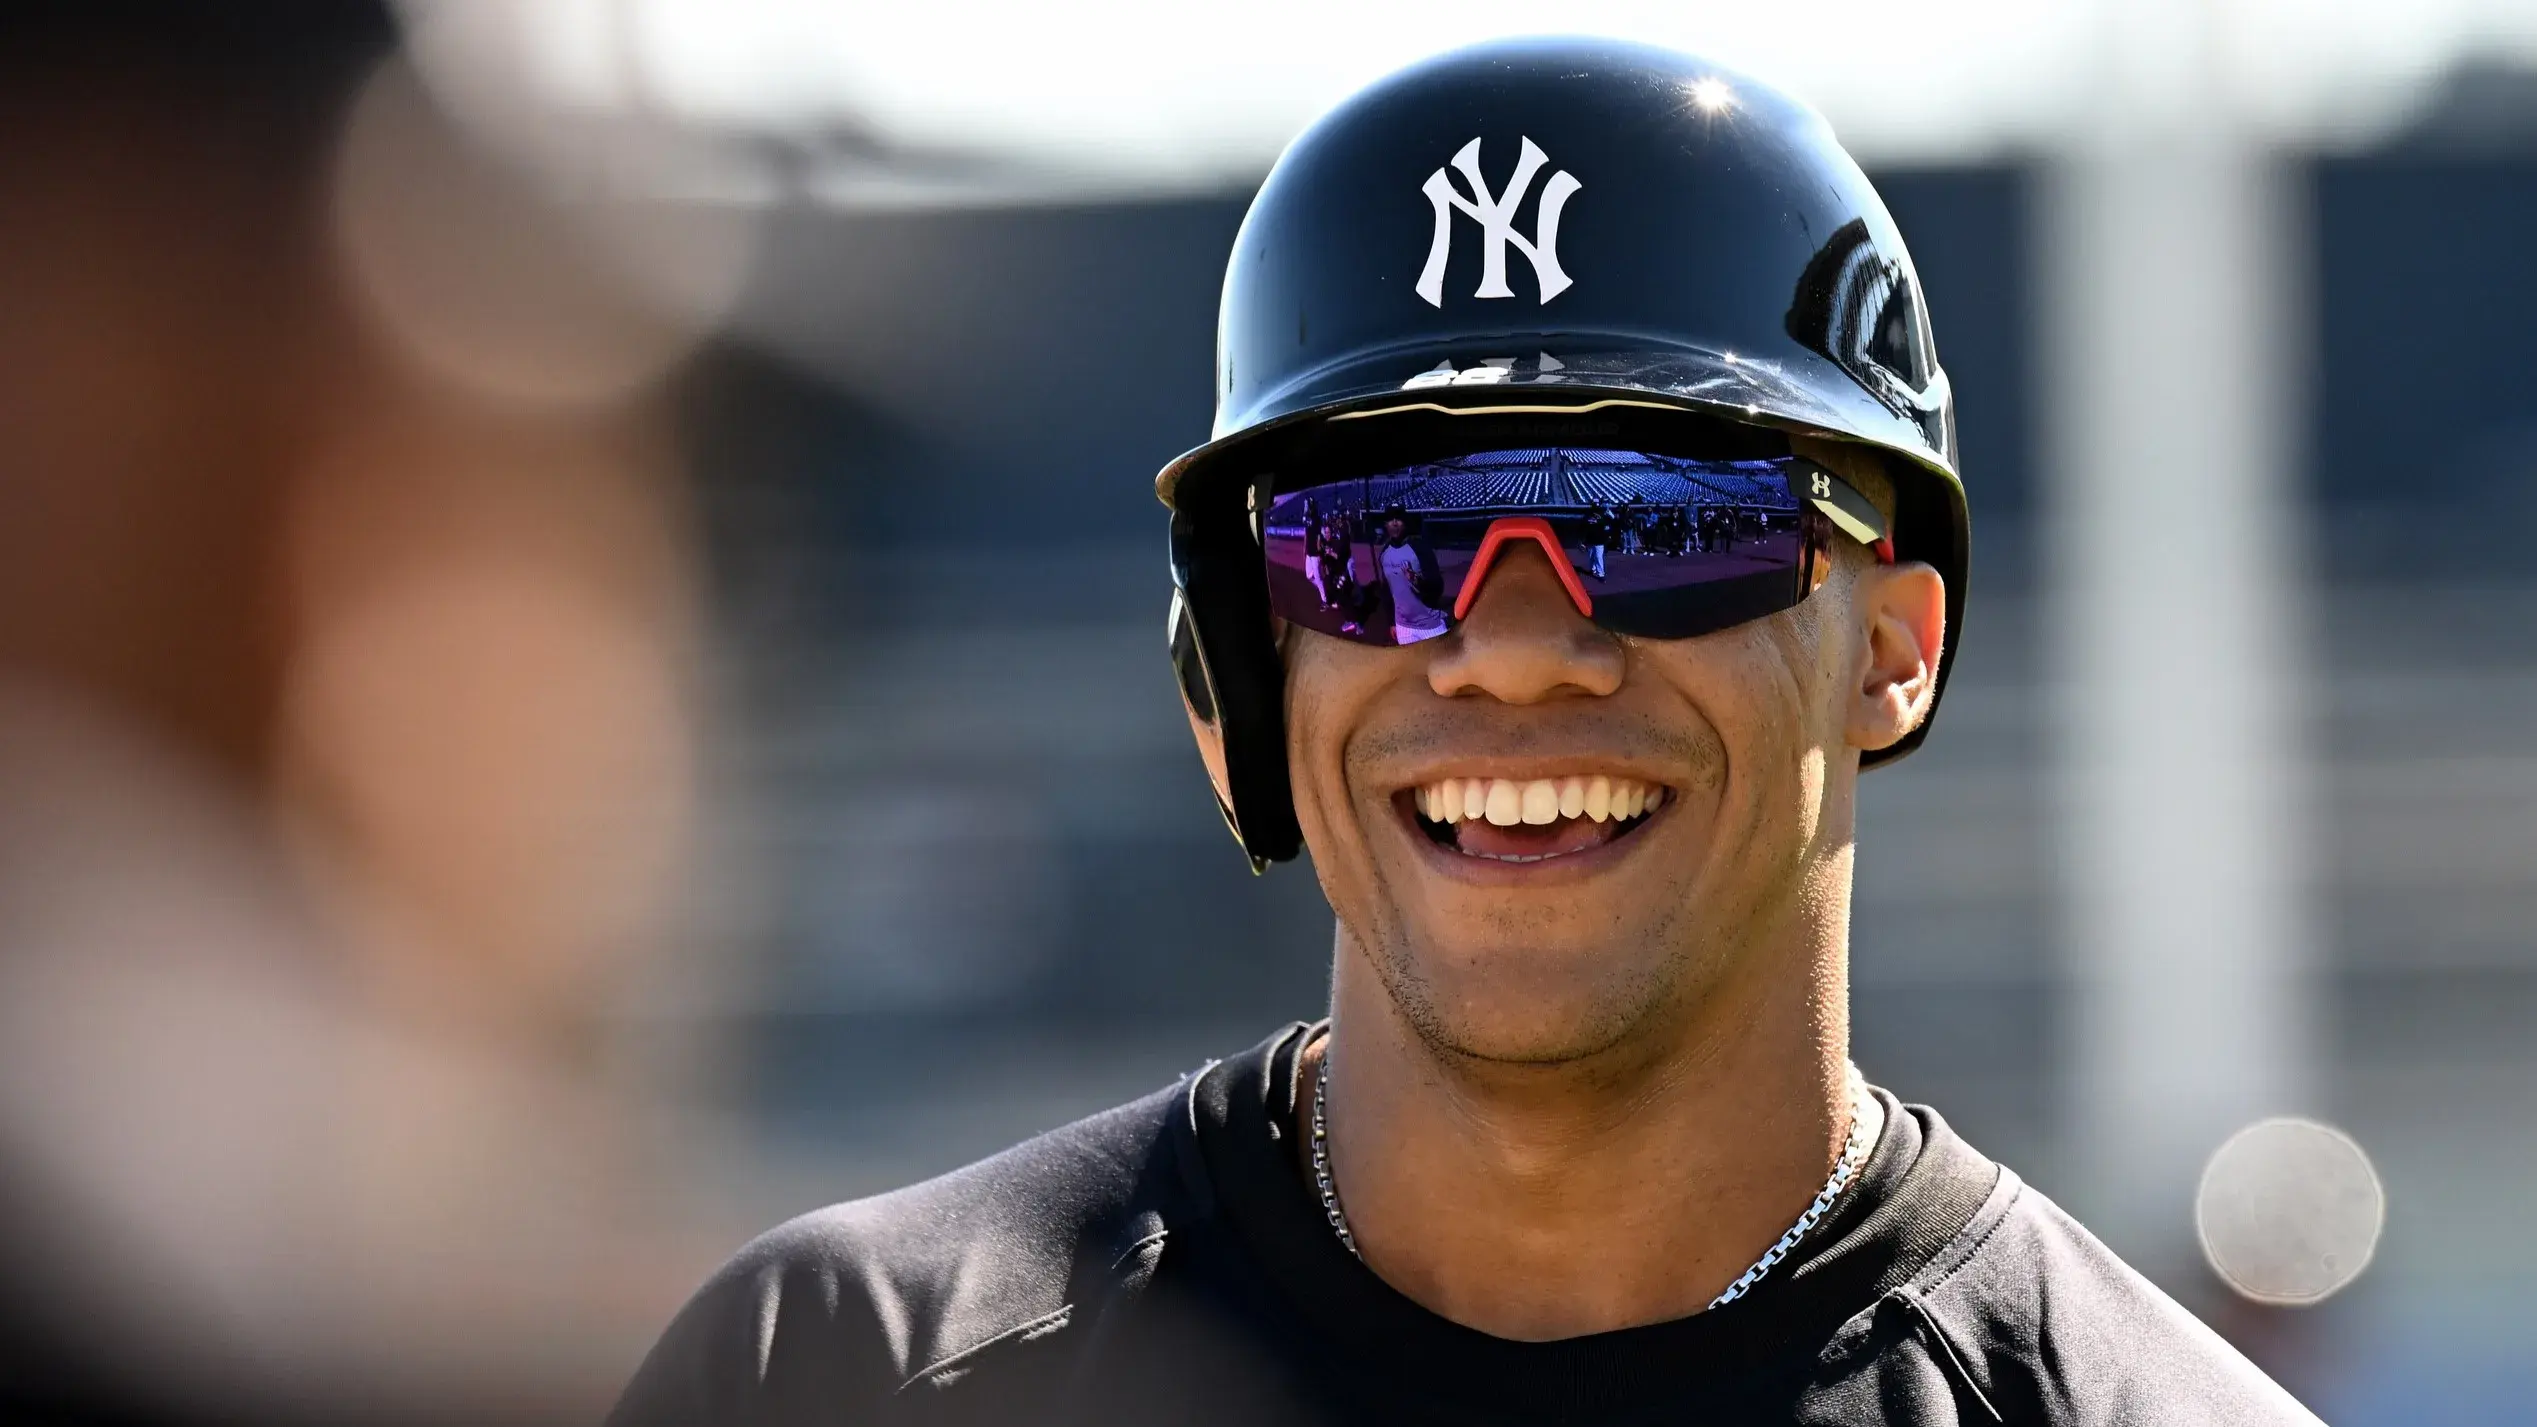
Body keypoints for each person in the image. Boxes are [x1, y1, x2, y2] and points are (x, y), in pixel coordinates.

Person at [612, 38, 2320, 1427]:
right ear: (1240, 672)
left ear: (1894, 642)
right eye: (1379, 543)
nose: (1511, 653)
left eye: (1659, 522)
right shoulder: (844, 1375)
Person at [1376, 509, 1448, 646]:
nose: (1395, 523)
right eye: (1391, 519)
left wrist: (1417, 581)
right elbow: (1386, 591)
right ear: (1386, 524)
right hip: (1404, 627)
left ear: (1405, 523)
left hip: (1430, 624)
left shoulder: (1421, 548)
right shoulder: (1385, 553)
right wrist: (1392, 622)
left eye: (1399, 519)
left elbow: (1438, 587)